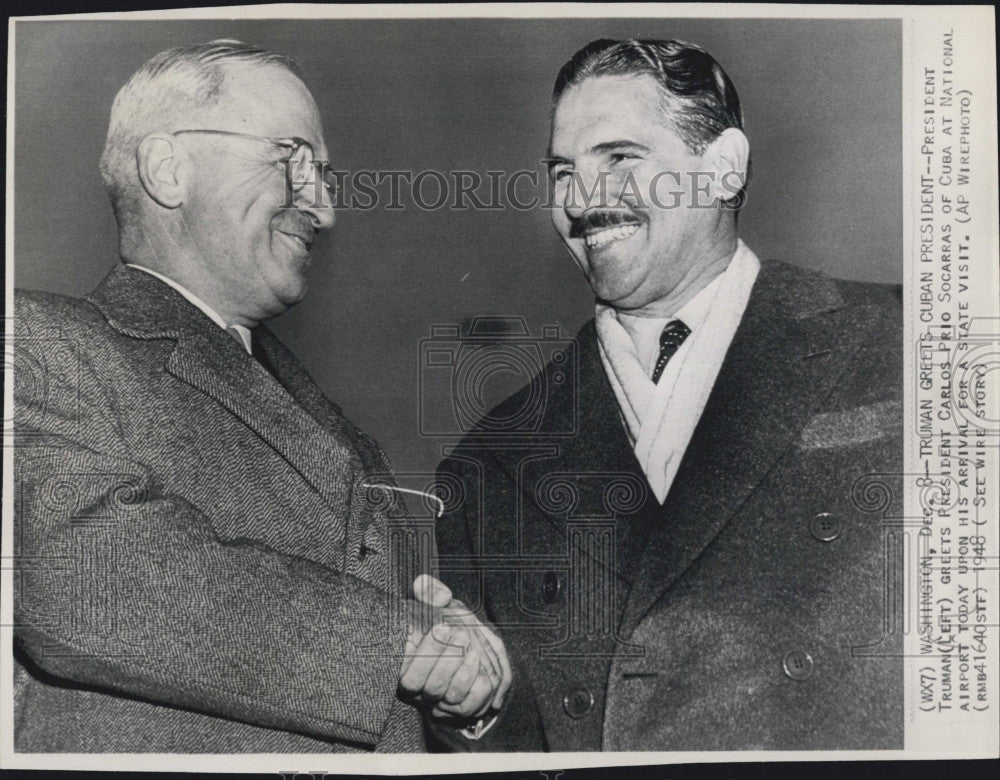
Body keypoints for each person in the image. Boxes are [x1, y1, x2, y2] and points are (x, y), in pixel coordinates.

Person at [13, 39, 509, 753]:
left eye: (325, 174)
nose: (326, 208)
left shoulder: (328, 419)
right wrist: (399, 642)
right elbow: (79, 576)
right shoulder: (39, 344)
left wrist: (458, 696)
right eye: (294, 160)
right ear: (167, 168)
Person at [433, 38, 903, 751]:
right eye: (563, 172)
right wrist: (477, 710)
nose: (582, 202)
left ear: (722, 169)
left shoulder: (907, 341)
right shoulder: (488, 464)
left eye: (620, 158)